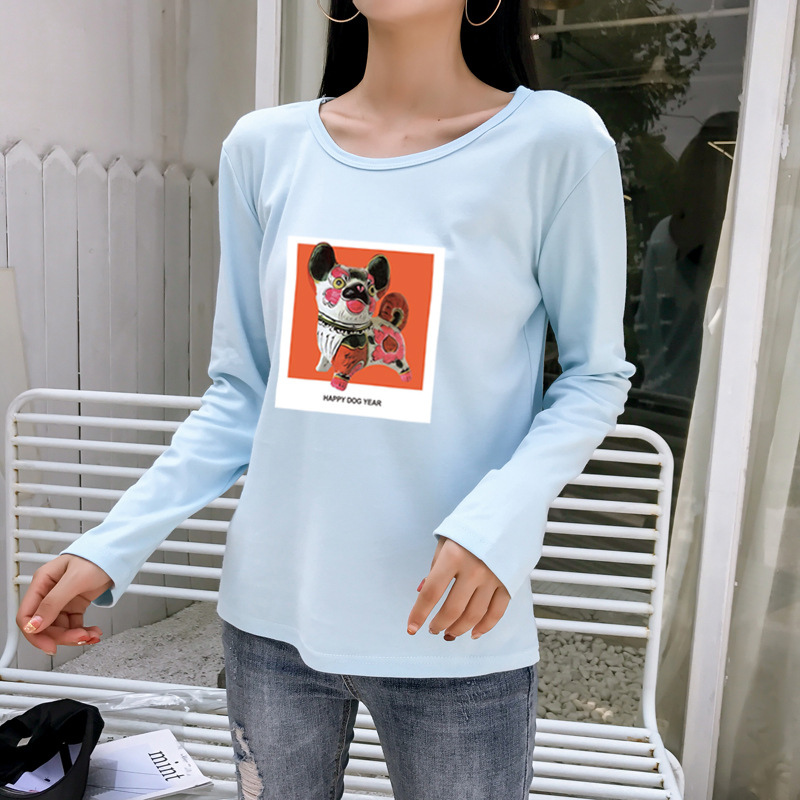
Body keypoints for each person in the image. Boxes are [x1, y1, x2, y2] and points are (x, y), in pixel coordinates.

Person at [16, 1, 636, 798]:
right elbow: (241, 393)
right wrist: (112, 545)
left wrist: (497, 523)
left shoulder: (555, 142)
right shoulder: (263, 148)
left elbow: (594, 377)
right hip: (271, 624)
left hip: (453, 625)